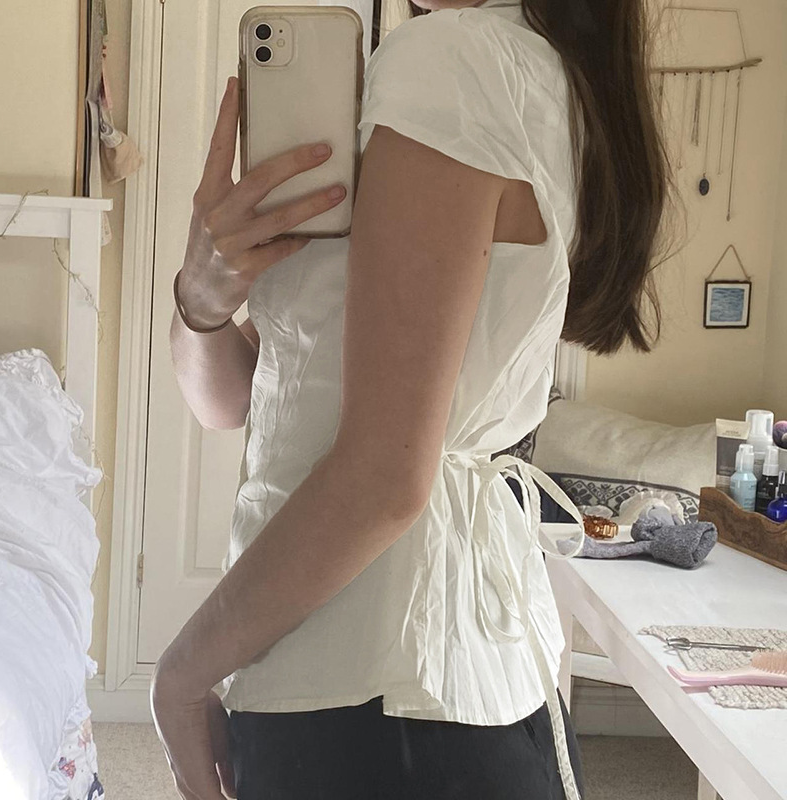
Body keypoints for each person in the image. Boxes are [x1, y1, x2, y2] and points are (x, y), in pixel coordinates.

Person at [150, 0, 674, 797]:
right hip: (449, 675)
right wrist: (201, 300)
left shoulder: (451, 62)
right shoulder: (542, 72)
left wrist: (182, 675)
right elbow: (233, 402)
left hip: (368, 682)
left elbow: (385, 477)